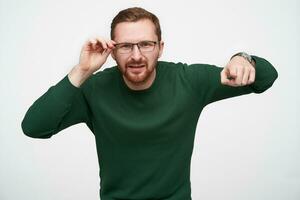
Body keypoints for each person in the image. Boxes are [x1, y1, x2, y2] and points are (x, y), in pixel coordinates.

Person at [21, 7, 278, 200]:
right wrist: (81, 70)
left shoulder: (188, 81)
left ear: (160, 47)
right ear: (111, 50)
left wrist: (243, 58)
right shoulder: (95, 88)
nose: (136, 56)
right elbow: (34, 127)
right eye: (125, 46)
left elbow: (265, 78)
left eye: (145, 44)